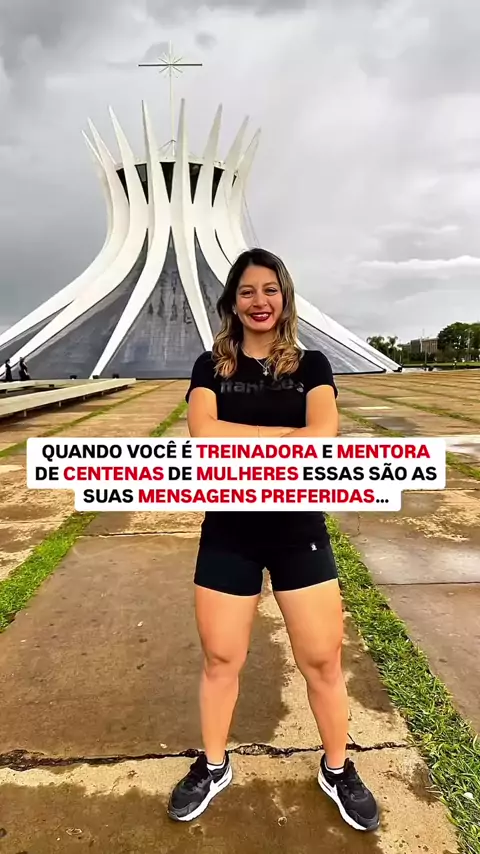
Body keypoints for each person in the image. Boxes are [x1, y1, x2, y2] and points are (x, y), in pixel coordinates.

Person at [167, 248, 379, 833]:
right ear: (232, 303)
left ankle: (337, 768)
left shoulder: (312, 365)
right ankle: (214, 765)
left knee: (323, 659)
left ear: (284, 297)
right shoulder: (210, 367)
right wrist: (287, 434)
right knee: (221, 658)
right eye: (246, 291)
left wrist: (248, 436)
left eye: (269, 290)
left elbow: (324, 434)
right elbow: (203, 433)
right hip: (229, 531)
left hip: (297, 531)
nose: (259, 302)